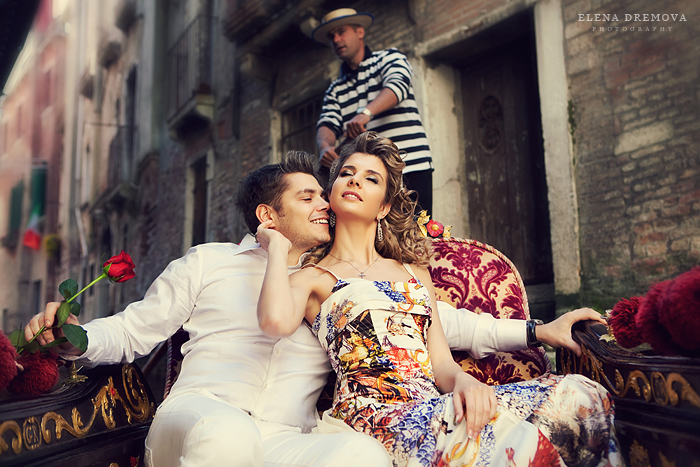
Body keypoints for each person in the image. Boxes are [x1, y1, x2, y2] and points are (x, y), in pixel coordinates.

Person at [256, 132, 623, 467]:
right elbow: (274, 322)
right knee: (516, 443)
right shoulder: (313, 277)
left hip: (431, 403)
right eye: (347, 174)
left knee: (583, 395)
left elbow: (442, 363)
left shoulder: (414, 272)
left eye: (371, 178)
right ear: (332, 192)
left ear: (384, 207)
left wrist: (465, 383)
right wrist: (276, 247)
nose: (354, 180)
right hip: (373, 415)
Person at [24, 151, 392, 467]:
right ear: (267, 215)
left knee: (363, 453)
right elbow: (131, 330)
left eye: (322, 196)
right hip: (198, 415)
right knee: (227, 433)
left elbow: (400, 331)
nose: (325, 205)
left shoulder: (334, 285)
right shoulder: (209, 261)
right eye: (307, 197)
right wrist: (76, 337)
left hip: (285, 439)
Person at [313, 8, 434, 213]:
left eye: (341, 32)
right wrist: (325, 147)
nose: (336, 39)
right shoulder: (335, 89)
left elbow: (398, 86)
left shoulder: (388, 58)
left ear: (359, 32)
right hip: (367, 179)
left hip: (411, 167)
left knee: (418, 230)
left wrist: (365, 114)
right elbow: (326, 123)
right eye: (331, 36)